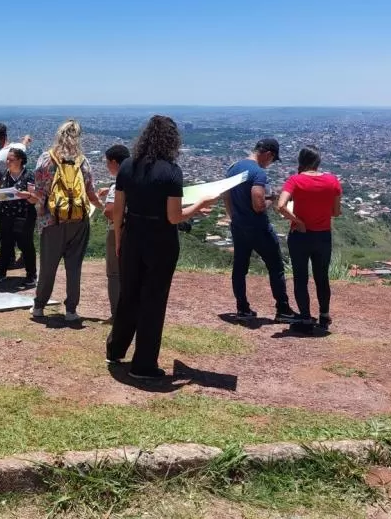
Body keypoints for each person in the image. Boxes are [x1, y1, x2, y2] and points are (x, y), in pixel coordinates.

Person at [106, 116, 217, 379]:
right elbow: (174, 217)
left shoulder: (127, 167)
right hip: (160, 240)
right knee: (153, 300)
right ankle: (143, 365)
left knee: (129, 295)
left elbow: (119, 208)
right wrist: (200, 205)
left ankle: (115, 349)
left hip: (132, 234)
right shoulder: (171, 172)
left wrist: (120, 238)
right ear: (172, 141)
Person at [29, 120, 103, 322]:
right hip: (79, 221)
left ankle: (39, 306)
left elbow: (39, 192)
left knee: (48, 266)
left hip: (51, 221)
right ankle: (71, 310)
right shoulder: (83, 162)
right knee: (74, 267)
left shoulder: (46, 159)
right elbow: (90, 194)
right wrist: (105, 209)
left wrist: (40, 211)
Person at [223, 138, 295, 322]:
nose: (270, 163)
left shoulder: (233, 167)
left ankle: (242, 308)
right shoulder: (258, 173)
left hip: (239, 226)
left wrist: (233, 217)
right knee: (276, 267)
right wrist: (272, 199)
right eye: (272, 159)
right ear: (269, 154)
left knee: (240, 268)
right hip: (258, 227)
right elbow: (258, 204)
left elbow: (226, 195)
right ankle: (283, 309)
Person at [277, 146, 342, 330]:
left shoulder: (295, 181)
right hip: (322, 236)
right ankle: (324, 315)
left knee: (300, 278)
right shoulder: (332, 181)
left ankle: (305, 317)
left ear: (301, 161)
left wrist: (298, 221)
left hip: (300, 236)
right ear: (318, 161)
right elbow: (336, 212)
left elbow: (281, 206)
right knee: (322, 277)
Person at [0, 146, 37, 288]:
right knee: (5, 244)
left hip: (23, 216)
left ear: (20, 161)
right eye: (7, 159)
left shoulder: (29, 176)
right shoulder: (2, 175)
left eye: (11, 159)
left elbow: (34, 199)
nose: (8, 162)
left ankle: (31, 275)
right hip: (5, 215)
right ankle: (1, 273)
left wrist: (27, 195)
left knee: (25, 245)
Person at [100, 144, 131, 318]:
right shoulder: (137, 177)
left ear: (114, 162)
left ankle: (117, 314)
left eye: (107, 163)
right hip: (137, 231)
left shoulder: (118, 183)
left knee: (114, 273)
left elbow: (110, 211)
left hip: (116, 231)